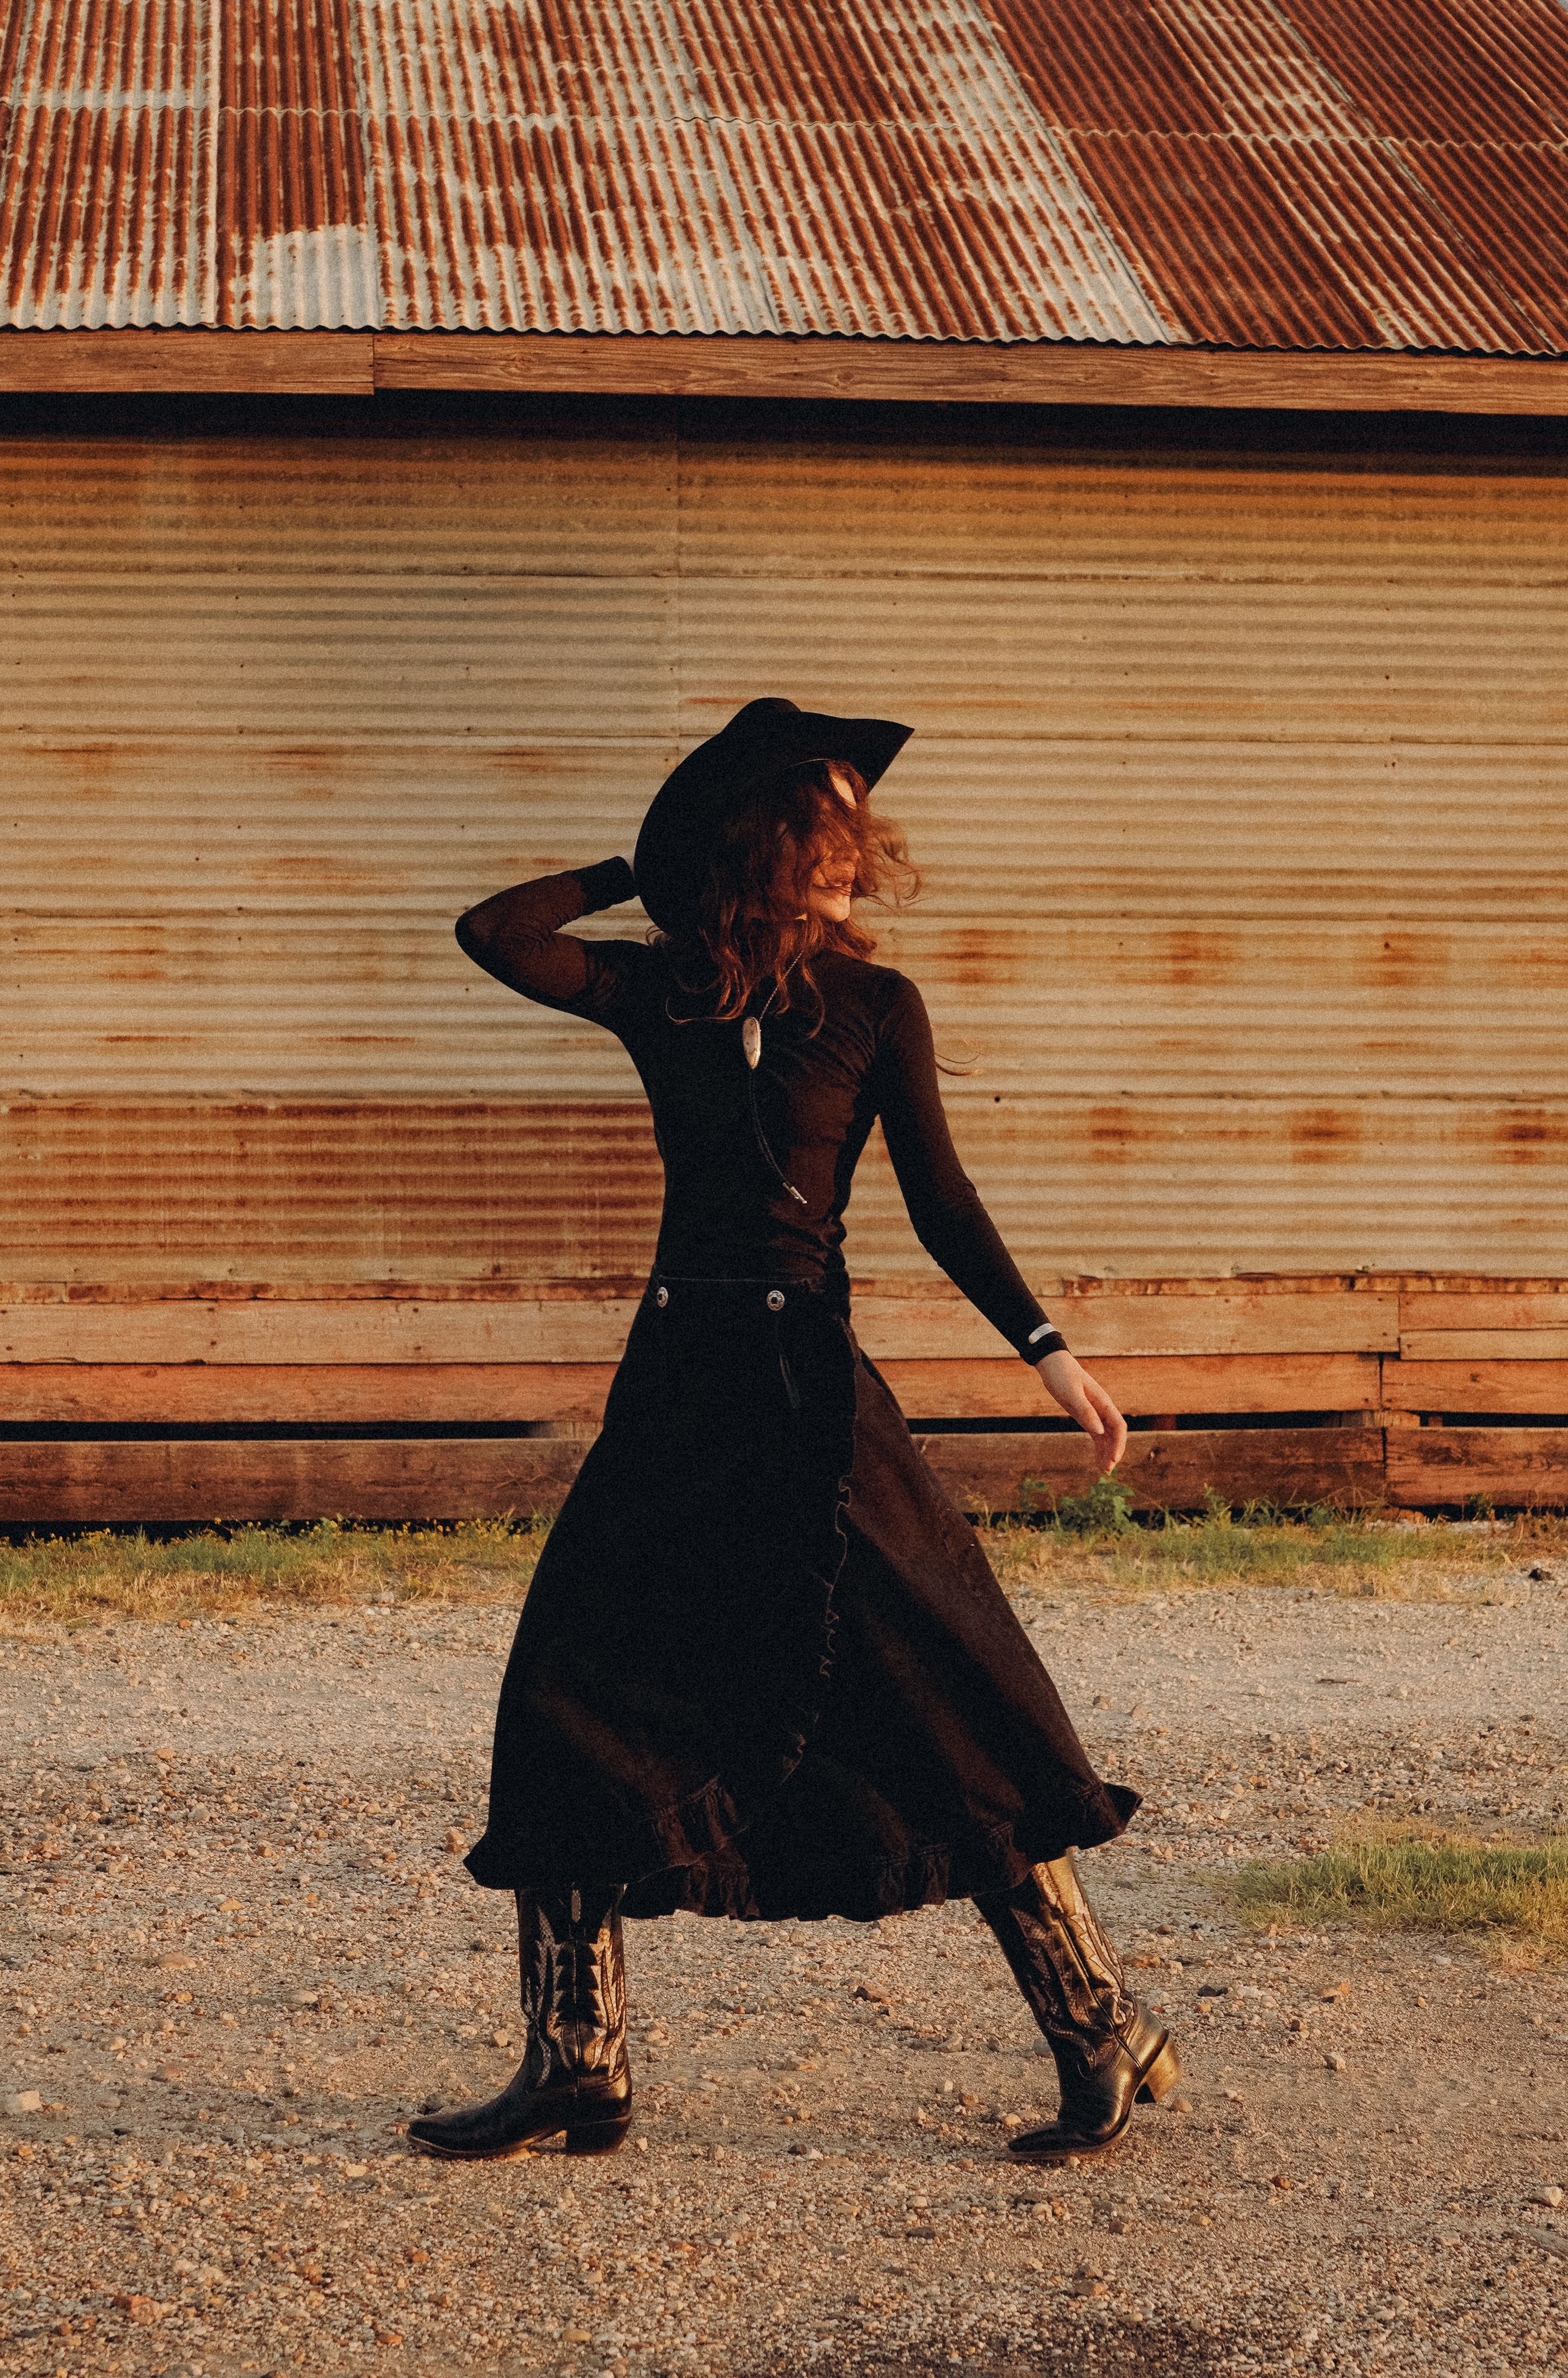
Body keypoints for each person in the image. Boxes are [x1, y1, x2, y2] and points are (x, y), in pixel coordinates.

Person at [413, 697, 1179, 2168]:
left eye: (854, 828)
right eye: (823, 825)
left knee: (941, 1692)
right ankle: (580, 2061)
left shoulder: (879, 1012)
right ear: (759, 842)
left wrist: (1050, 1353)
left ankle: (1099, 2026)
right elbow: (492, 930)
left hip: (809, 1388)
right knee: (571, 1691)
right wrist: (651, 865)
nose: (855, 852)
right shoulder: (667, 988)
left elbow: (942, 1201)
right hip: (676, 1381)